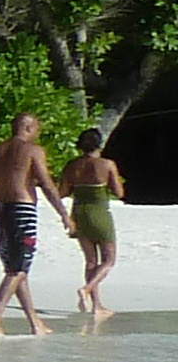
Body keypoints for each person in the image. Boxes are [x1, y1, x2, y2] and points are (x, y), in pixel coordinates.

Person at [0, 113, 72, 336]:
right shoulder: (33, 151)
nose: (37, 133)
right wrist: (64, 214)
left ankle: (34, 322)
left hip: (0, 210)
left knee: (17, 269)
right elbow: (47, 185)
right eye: (37, 129)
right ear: (29, 128)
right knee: (18, 268)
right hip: (22, 210)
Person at [65, 125, 128, 315]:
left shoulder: (72, 166)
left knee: (91, 261)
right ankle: (87, 288)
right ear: (99, 144)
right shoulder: (107, 164)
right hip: (100, 213)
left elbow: (63, 191)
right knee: (109, 260)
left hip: (78, 213)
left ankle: (96, 305)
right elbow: (119, 192)